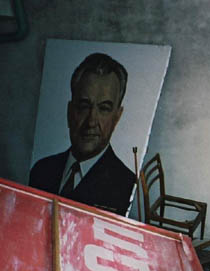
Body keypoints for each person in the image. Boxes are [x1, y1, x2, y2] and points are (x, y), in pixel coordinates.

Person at [29, 53, 135, 216]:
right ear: (70, 111)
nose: (91, 121)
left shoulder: (128, 187)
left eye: (104, 109)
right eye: (84, 106)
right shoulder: (41, 170)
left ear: (117, 117)